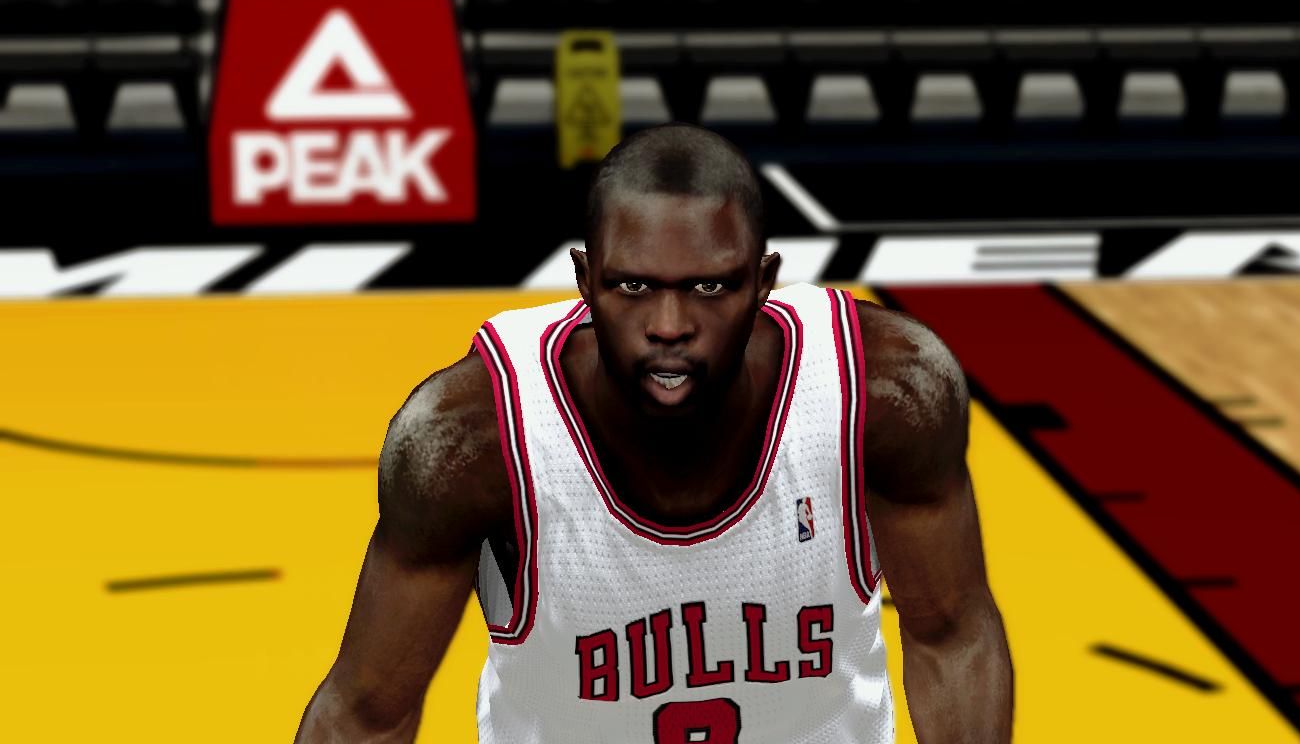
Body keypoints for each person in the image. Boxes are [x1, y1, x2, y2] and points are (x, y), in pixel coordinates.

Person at [296, 123, 1013, 743]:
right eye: (634, 287)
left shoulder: (882, 390)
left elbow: (950, 636)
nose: (670, 326)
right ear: (585, 280)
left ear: (764, 281)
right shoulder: (473, 437)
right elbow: (367, 712)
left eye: (709, 287)